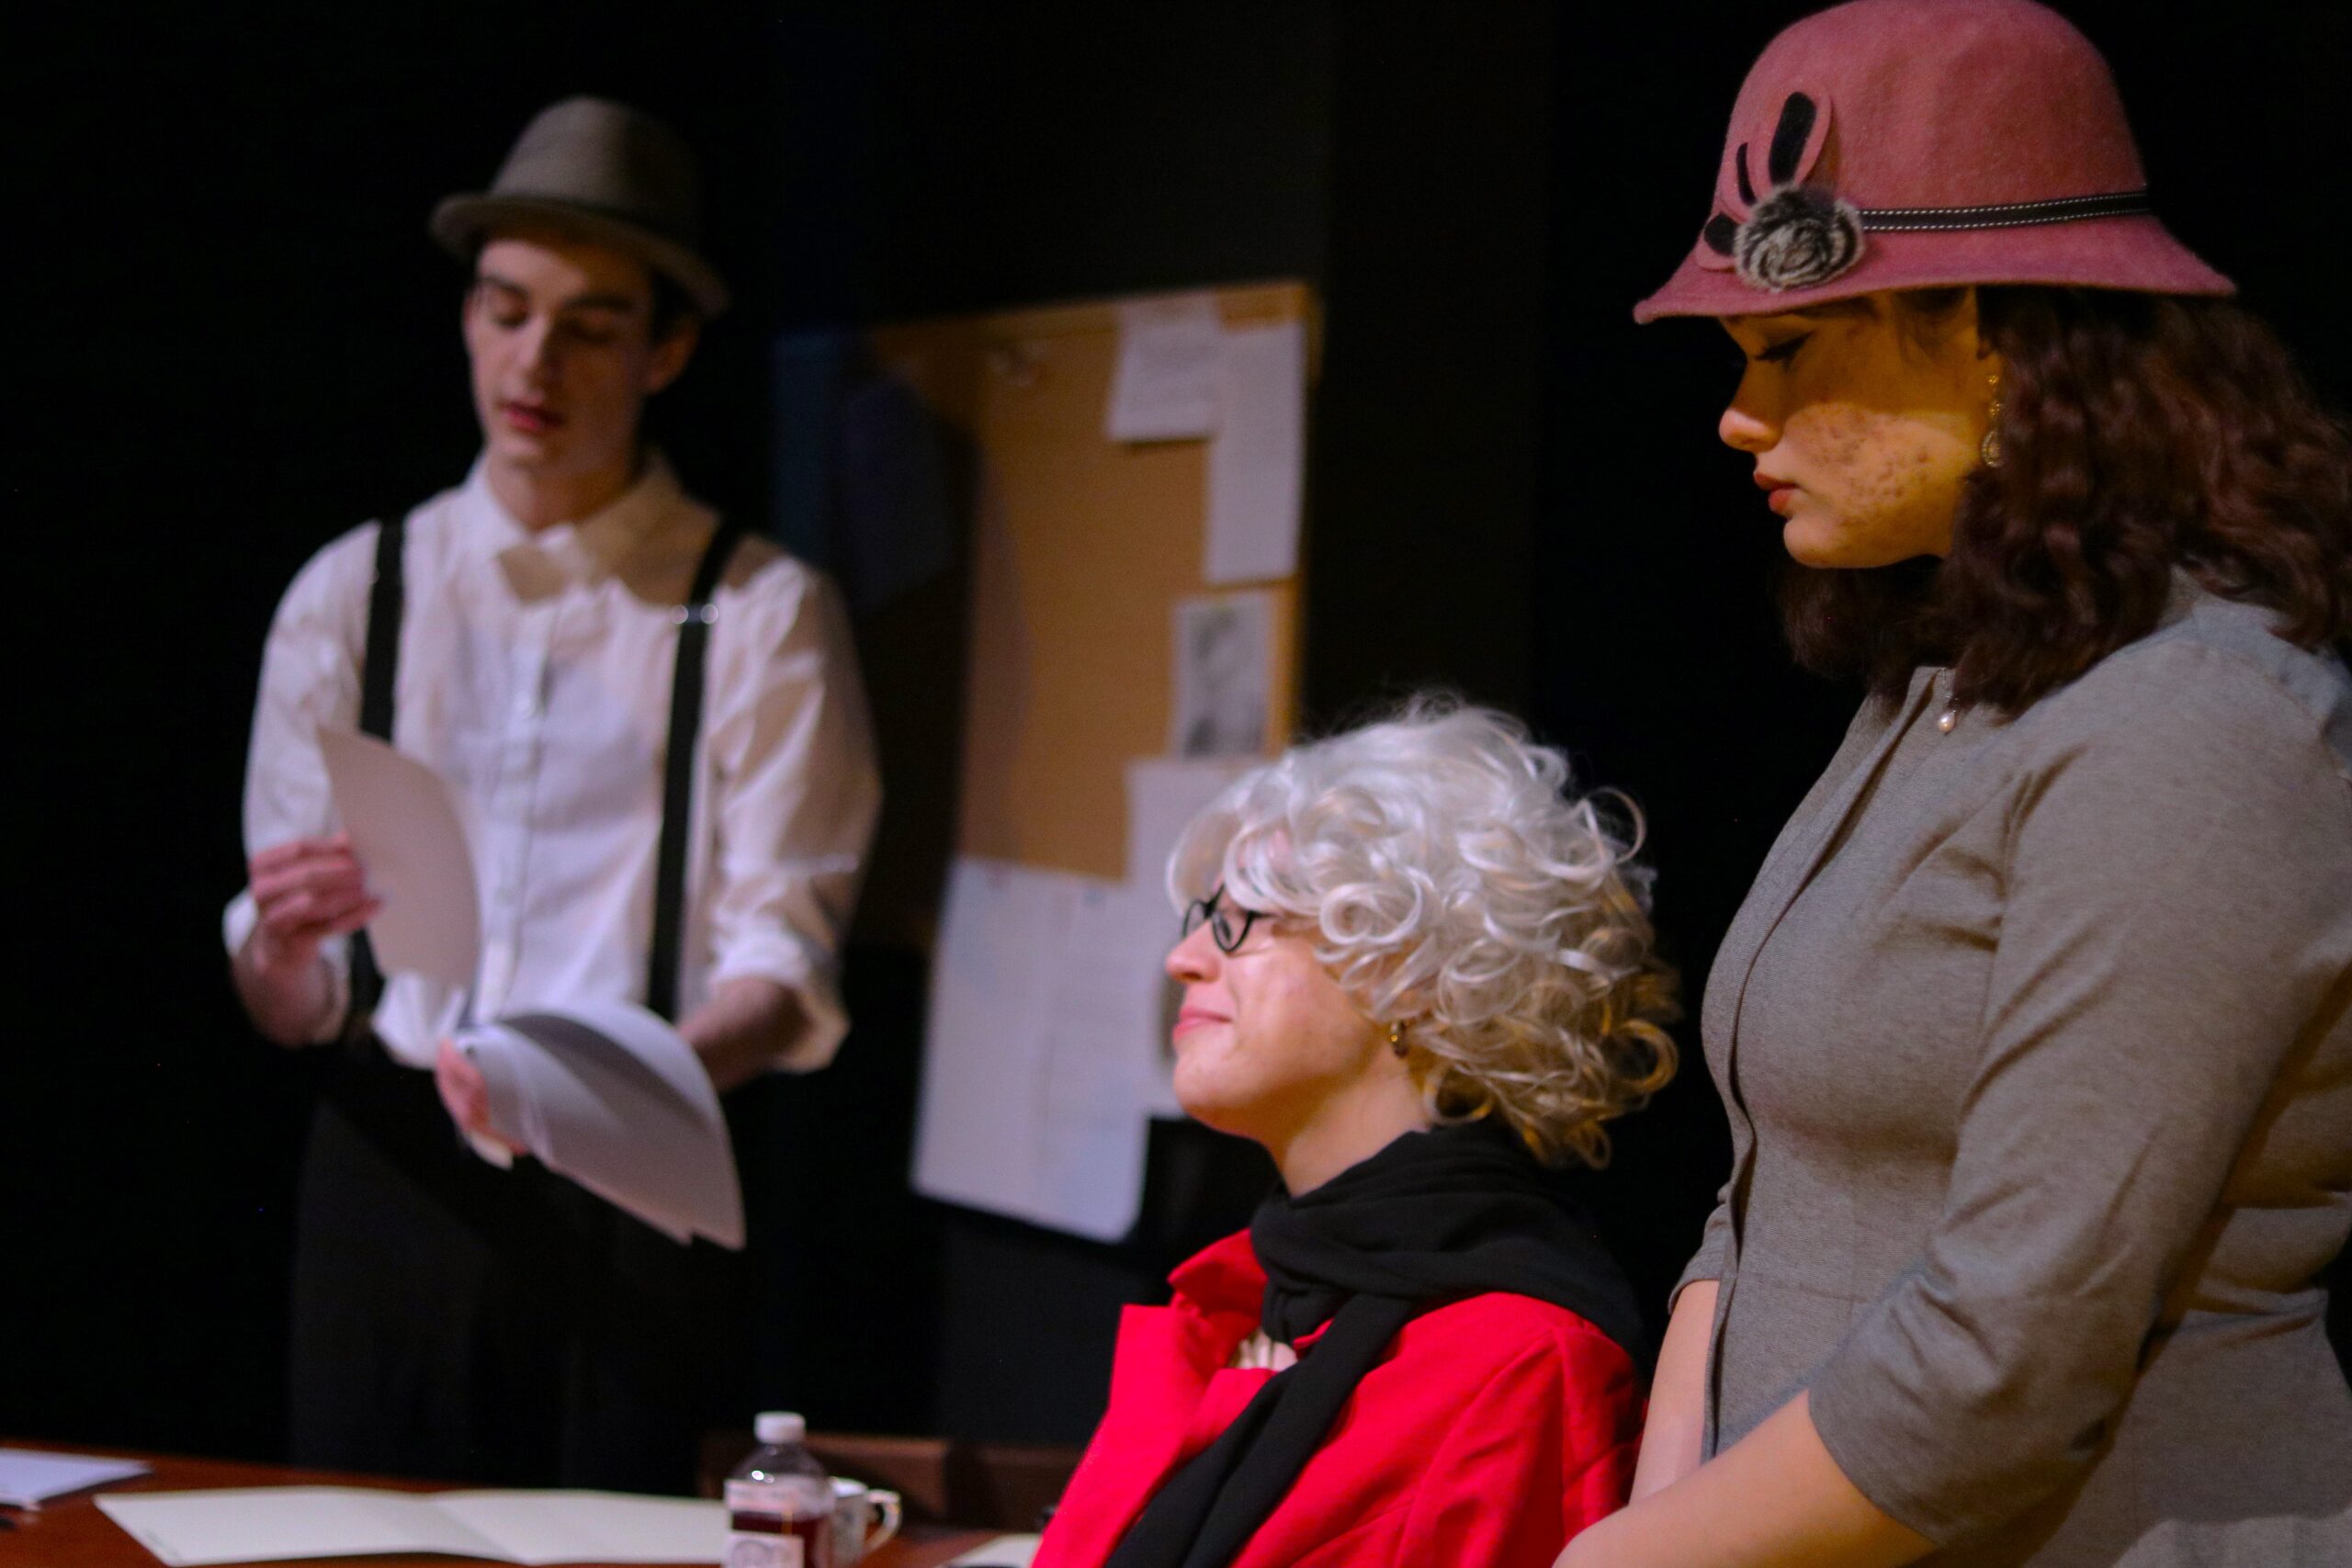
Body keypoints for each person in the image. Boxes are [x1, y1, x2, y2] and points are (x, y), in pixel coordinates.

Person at [1562, 3, 2352, 1564]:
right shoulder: (1936, 682)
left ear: (1995, 330)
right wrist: (1664, 1514)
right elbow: (1756, 1192)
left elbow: (2013, 1345)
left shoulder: (2198, 726)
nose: (1741, 417)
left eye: (1792, 351)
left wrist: (1624, 1562)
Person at [225, 98, 880, 1489]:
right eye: (508, 310)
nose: (537, 359)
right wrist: (276, 952)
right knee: (352, 1536)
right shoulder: (357, 591)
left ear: (668, 350)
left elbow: (789, 959)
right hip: (387, 1170)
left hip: (631, 1181)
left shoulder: (756, 609)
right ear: (468, 319)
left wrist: (613, 1081)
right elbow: (302, 998)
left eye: (589, 323)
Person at [1032, 702, 1679, 1568]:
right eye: (1200, 921)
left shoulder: (1524, 1368)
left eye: (1244, 920)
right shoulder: (1238, 1299)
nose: (1183, 959)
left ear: (1414, 970)